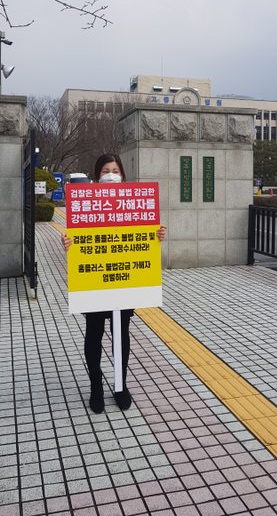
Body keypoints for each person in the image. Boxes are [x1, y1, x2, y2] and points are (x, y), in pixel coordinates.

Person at [62, 153, 166, 414]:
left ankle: (121, 385)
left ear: (123, 175)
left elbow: (142, 235)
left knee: (122, 333)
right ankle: (96, 386)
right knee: (94, 333)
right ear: (97, 176)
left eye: (115, 171)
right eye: (106, 171)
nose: (111, 175)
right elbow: (78, 237)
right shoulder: (86, 203)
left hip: (124, 280)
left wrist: (156, 235)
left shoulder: (134, 203)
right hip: (96, 279)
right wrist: (68, 243)